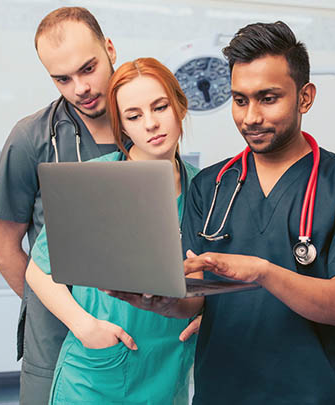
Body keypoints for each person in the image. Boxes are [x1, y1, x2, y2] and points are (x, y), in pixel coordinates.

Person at [109, 21, 335, 404]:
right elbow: (197, 297)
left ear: (305, 98)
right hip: (223, 391)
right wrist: (165, 302)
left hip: (315, 394)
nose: (250, 116)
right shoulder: (210, 185)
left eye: (268, 98)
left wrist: (263, 272)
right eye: (240, 100)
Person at [25, 57, 200, 404]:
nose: (150, 124)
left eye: (160, 107)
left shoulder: (208, 189)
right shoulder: (94, 181)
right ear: (124, 128)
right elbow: (38, 270)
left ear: (180, 105)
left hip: (168, 370)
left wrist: (208, 315)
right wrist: (85, 327)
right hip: (96, 373)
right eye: (134, 116)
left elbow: (217, 276)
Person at [0, 7, 119, 404]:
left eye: (88, 69)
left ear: (109, 49)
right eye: (63, 79)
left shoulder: (142, 128)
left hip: (135, 331)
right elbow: (2, 250)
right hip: (58, 339)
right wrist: (61, 311)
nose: (80, 88)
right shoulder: (32, 138)